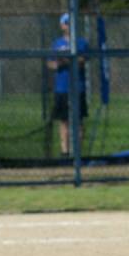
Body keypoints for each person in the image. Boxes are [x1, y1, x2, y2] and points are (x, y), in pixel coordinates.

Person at [47, 13, 88, 156]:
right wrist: (58, 63)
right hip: (62, 88)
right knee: (63, 120)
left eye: (71, 23)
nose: (68, 26)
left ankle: (77, 153)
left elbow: (82, 60)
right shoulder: (57, 43)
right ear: (62, 25)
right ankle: (65, 152)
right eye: (66, 23)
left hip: (77, 87)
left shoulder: (81, 42)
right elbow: (50, 63)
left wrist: (67, 60)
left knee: (78, 120)